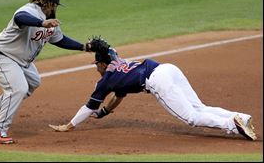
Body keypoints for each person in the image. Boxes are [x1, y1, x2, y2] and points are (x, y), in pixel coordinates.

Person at [49, 37, 257, 141]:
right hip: (168, 68)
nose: (96, 69)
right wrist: (104, 112)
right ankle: (241, 117)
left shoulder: (106, 81)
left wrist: (70, 125)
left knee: (191, 118)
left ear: (101, 65)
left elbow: (88, 107)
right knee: (199, 107)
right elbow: (118, 96)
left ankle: (231, 123)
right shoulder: (115, 58)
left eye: (96, 65)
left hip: (157, 80)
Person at [0, 0, 93, 144]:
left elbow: (60, 40)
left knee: (32, 83)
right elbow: (20, 17)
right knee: (17, 89)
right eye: (55, 5)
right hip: (1, 55)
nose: (55, 9)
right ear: (50, 4)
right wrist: (41, 23)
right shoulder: (30, 10)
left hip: (20, 60)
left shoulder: (50, 19)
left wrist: (84, 47)